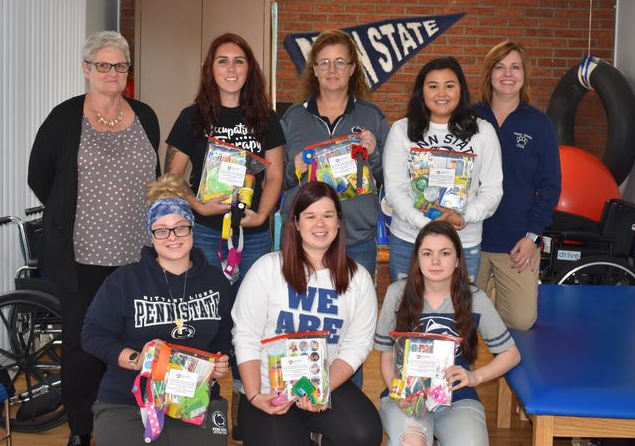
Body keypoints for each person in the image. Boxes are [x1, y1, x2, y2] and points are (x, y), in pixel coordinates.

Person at [28, 30, 160, 446]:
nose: (112, 72)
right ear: (86, 69)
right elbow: (40, 176)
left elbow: (151, 177)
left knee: (138, 342)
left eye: (120, 65)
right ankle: (82, 431)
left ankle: (136, 421)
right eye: (103, 64)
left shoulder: (145, 116)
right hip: (81, 256)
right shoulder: (64, 118)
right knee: (83, 348)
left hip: (137, 255)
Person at [165, 32, 284, 437]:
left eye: (239, 61)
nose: (231, 69)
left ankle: (246, 403)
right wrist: (197, 207)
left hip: (251, 237)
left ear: (250, 68)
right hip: (204, 235)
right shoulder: (191, 117)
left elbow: (276, 175)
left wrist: (262, 214)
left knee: (252, 317)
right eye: (222, 61)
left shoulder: (266, 118)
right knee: (207, 315)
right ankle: (204, 399)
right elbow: (172, 176)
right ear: (210, 69)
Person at [82, 174, 233, 446]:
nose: (172, 237)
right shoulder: (124, 281)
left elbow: (224, 337)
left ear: (192, 229)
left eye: (180, 227)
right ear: (151, 235)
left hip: (193, 399)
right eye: (161, 229)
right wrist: (135, 359)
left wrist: (222, 360)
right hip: (128, 401)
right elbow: (92, 335)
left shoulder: (216, 281)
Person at [231, 182, 382, 446]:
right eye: (310, 216)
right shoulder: (267, 269)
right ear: (296, 223)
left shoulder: (358, 278)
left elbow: (356, 346)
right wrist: (255, 395)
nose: (320, 224)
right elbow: (246, 337)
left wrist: (320, 390)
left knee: (363, 433)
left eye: (328, 215)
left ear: (338, 222)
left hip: (322, 384)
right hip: (269, 387)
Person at [374, 222, 521, 446]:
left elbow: (511, 354)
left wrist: (475, 377)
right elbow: (386, 355)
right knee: (411, 442)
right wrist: (398, 391)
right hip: (406, 394)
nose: (435, 261)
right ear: (417, 259)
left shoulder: (475, 299)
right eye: (427, 253)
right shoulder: (397, 294)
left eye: (444, 253)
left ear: (458, 260)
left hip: (456, 396)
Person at [383, 56, 503, 282]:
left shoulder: (483, 131)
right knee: (407, 311)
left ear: (461, 89)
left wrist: (464, 217)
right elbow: (395, 189)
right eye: (433, 86)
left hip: (462, 241)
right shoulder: (402, 129)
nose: (442, 94)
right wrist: (426, 223)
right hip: (410, 240)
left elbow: (493, 188)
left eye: (449, 85)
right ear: (422, 91)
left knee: (457, 312)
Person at [281, 29, 389, 275]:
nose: (332, 69)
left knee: (354, 311)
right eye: (325, 62)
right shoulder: (293, 118)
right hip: (302, 241)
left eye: (340, 62)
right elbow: (276, 180)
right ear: (315, 69)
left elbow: (389, 180)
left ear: (352, 69)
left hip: (356, 239)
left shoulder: (372, 117)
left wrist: (372, 155)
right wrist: (294, 169)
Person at [472, 41, 561, 330]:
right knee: (464, 321)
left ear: (524, 74)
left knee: (521, 321)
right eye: (499, 67)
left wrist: (532, 237)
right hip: (472, 236)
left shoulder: (539, 124)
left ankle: (496, 293)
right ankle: (486, 295)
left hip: (516, 242)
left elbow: (549, 186)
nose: (507, 74)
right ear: (489, 74)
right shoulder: (468, 118)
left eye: (515, 67)